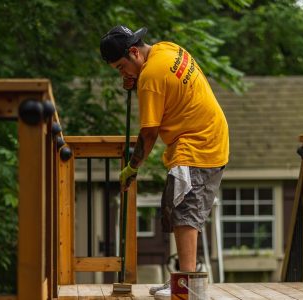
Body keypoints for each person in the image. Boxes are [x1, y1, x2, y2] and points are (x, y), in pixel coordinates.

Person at [100, 25, 229, 299]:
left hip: (198, 144)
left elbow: (149, 132)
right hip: (208, 135)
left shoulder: (150, 78)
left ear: (134, 52)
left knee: (185, 214)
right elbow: (167, 92)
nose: (122, 74)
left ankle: (189, 287)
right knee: (177, 209)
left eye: (122, 67)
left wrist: (132, 167)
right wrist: (134, 82)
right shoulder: (166, 50)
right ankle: (182, 281)